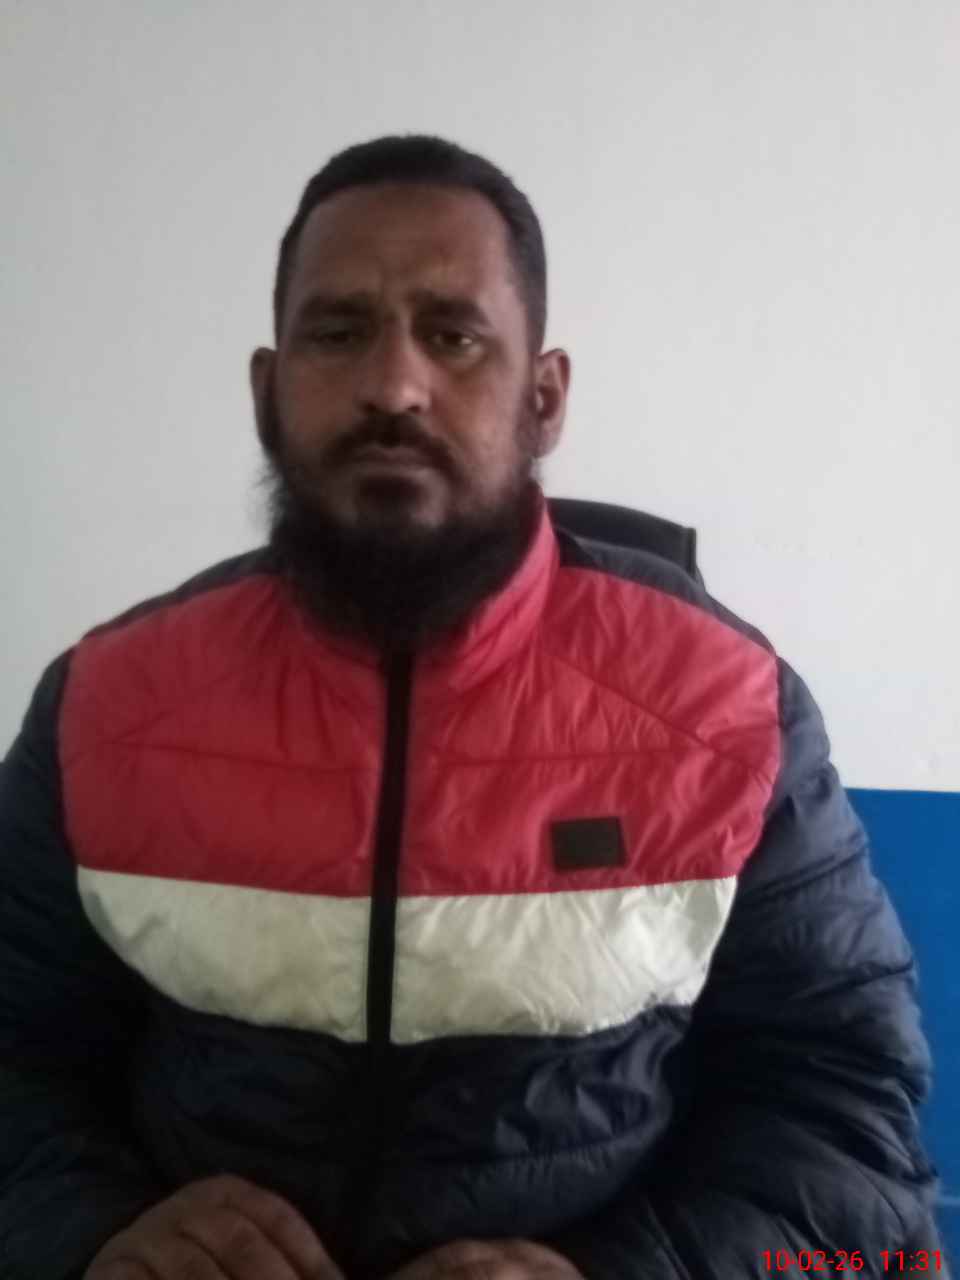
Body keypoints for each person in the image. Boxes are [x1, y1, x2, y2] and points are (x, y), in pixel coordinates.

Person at [0, 133, 946, 1280]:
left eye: (453, 335)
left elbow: (847, 1106)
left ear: (543, 398)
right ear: (266, 391)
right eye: (337, 332)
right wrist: (91, 1231)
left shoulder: (727, 707)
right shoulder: (105, 704)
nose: (393, 386)